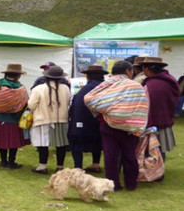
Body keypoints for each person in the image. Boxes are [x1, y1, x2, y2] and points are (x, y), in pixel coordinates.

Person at [84, 60, 149, 191]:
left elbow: (88, 98)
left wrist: (104, 111)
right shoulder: (135, 86)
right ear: (127, 71)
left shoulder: (105, 84)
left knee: (110, 157)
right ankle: (131, 184)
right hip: (129, 128)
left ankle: (113, 185)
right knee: (130, 156)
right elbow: (142, 104)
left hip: (108, 126)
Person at [28, 66, 71, 174]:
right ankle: (60, 167)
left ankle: (42, 166)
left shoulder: (38, 89)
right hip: (62, 120)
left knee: (43, 144)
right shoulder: (66, 88)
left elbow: (31, 105)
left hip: (43, 119)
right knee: (61, 144)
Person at [0, 64, 29, 168]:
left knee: (2, 141)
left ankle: (3, 161)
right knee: (13, 142)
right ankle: (11, 162)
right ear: (18, 76)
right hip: (14, 119)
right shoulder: (21, 89)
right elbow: (25, 103)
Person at [140, 57, 180, 165]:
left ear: (147, 69)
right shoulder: (170, 80)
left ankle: (154, 172)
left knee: (152, 147)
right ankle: (158, 170)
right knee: (160, 148)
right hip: (165, 118)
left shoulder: (151, 85)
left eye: (143, 68)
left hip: (153, 121)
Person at [68, 65, 107, 172]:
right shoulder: (105, 89)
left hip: (79, 123)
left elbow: (73, 107)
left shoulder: (82, 90)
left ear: (88, 77)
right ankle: (95, 164)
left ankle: (78, 167)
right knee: (97, 141)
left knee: (77, 145)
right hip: (99, 121)